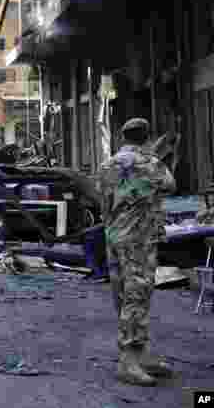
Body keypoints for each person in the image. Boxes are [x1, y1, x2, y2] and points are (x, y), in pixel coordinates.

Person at [97, 118, 176, 386]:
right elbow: (170, 185)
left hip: (114, 237)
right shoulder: (151, 163)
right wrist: (153, 154)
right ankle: (128, 362)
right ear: (146, 136)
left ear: (123, 136)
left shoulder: (107, 165)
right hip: (138, 240)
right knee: (137, 296)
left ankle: (140, 355)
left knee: (124, 295)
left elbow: (103, 199)